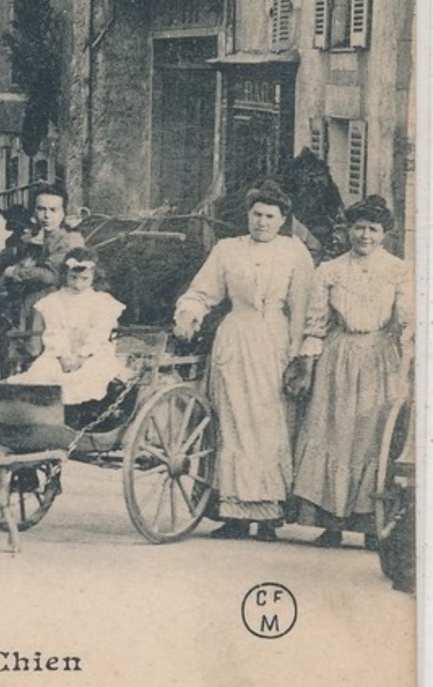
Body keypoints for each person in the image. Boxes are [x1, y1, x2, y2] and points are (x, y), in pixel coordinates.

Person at [173, 182, 314, 542]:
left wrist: (297, 355)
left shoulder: (294, 253)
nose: (262, 222)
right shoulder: (227, 250)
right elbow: (202, 291)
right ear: (247, 215)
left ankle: (267, 515)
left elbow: (301, 308)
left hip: (275, 342)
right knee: (231, 420)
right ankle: (232, 513)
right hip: (235, 339)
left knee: (269, 423)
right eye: (256, 214)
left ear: (283, 219)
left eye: (270, 216)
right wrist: (190, 312)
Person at [289, 196, 412, 548]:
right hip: (338, 358)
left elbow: (406, 317)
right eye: (358, 228)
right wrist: (308, 363)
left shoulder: (398, 270)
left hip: (380, 359)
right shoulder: (329, 270)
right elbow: (316, 323)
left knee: (374, 438)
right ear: (347, 231)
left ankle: (372, 524)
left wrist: (410, 347)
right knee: (336, 435)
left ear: (383, 234)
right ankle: (333, 523)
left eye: (372, 229)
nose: (364, 236)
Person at [6, 248, 130, 409]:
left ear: (94, 276)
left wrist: (81, 356)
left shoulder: (102, 302)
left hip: (93, 355)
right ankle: (46, 416)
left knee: (85, 377)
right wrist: (63, 356)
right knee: (42, 373)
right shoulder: (54, 301)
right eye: (73, 278)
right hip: (58, 355)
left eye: (84, 279)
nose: (78, 285)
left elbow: (98, 334)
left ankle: (78, 415)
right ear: (65, 275)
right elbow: (54, 332)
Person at [0, 184, 85, 338]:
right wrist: (24, 245)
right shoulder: (30, 236)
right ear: (34, 211)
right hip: (25, 304)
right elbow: (1, 261)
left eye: (53, 210)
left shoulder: (70, 240)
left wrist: (14, 272)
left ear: (63, 212)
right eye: (41, 209)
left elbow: (50, 275)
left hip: (54, 305)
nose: (46, 216)